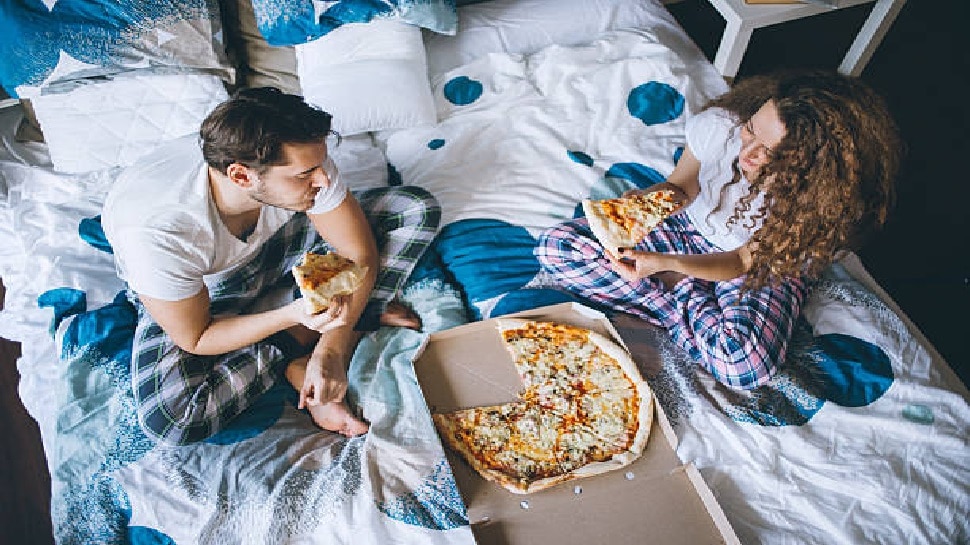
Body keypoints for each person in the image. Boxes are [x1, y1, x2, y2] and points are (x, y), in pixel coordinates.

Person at [102, 87, 441, 444]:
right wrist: (294, 315)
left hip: (277, 243)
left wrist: (332, 349)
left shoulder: (301, 157)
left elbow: (357, 254)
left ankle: (314, 350)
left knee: (414, 209)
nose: (323, 180)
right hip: (203, 291)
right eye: (305, 174)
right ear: (241, 176)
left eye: (320, 165)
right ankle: (299, 352)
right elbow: (197, 336)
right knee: (174, 419)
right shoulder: (157, 232)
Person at [536, 70, 901, 389]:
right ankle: (692, 320)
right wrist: (644, 205)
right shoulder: (721, 127)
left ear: (810, 171)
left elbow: (742, 260)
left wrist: (672, 269)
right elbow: (679, 187)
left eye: (770, 153)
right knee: (557, 247)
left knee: (745, 364)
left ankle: (669, 298)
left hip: (760, 265)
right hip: (687, 228)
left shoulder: (815, 207)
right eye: (751, 131)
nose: (747, 153)